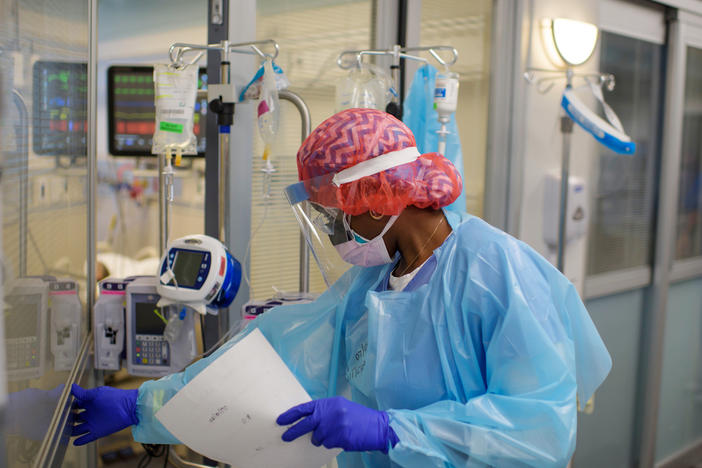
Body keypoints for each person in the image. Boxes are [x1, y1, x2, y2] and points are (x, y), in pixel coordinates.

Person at [71, 109, 611, 467]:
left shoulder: (496, 272)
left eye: (333, 216)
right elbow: (277, 350)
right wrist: (143, 405)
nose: (333, 232)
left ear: (375, 198)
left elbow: (540, 429)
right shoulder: (374, 284)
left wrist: (392, 431)